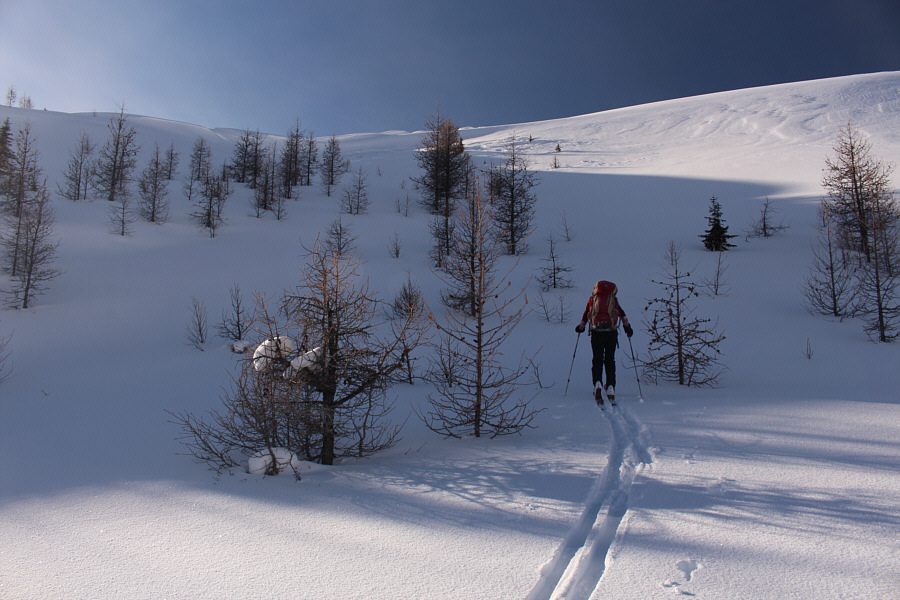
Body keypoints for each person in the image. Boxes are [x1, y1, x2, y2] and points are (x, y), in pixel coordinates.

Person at [575, 280, 633, 404]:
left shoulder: (593, 299)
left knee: (597, 359)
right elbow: (622, 315)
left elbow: (586, 315)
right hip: (611, 333)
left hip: (596, 333)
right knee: (610, 360)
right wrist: (627, 328)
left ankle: (597, 384)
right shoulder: (614, 300)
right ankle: (610, 387)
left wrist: (581, 327)